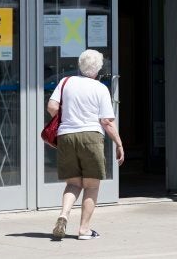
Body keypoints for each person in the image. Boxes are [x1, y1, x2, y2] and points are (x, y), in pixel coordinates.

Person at [47, 49, 124, 240]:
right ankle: (84, 230)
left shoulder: (66, 82)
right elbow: (106, 121)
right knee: (91, 185)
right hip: (90, 136)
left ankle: (63, 215)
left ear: (80, 66)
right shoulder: (100, 88)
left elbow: (52, 107)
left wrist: (65, 119)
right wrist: (119, 143)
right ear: (98, 69)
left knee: (73, 183)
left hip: (67, 136)